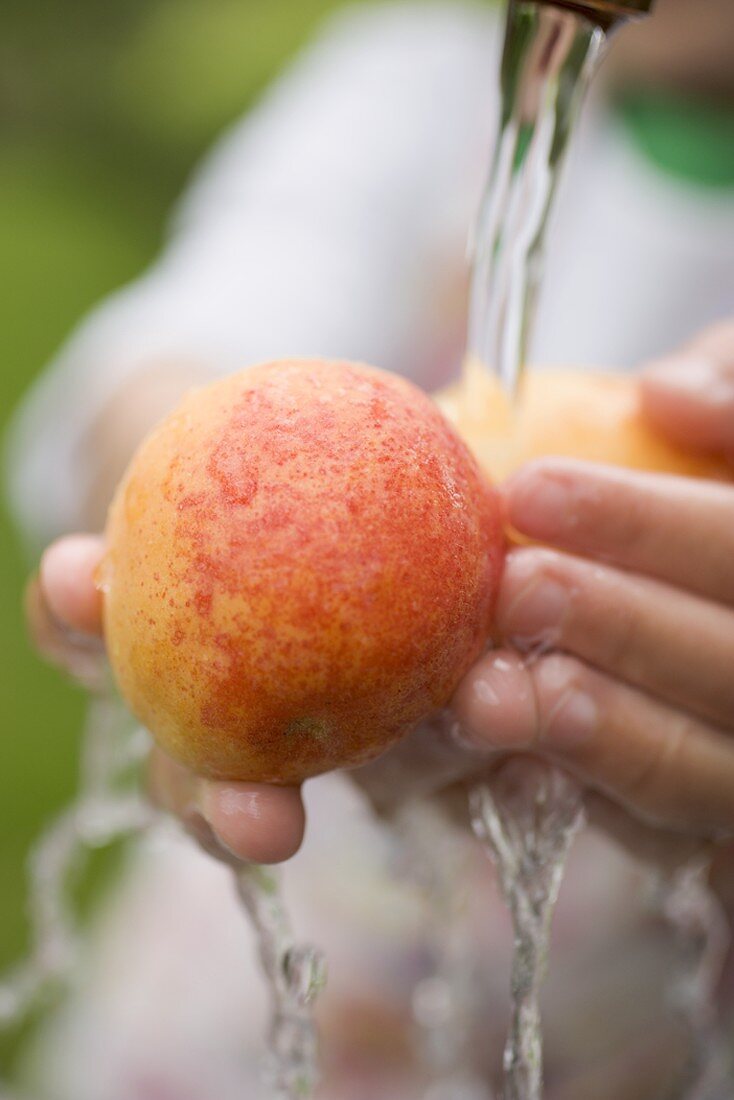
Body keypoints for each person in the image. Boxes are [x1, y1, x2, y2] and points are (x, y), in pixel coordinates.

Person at [7, 1, 734, 1095]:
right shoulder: (416, 90)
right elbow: (192, 326)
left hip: (630, 1023)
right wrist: (177, 490)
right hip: (236, 1009)